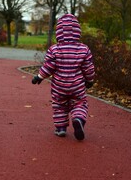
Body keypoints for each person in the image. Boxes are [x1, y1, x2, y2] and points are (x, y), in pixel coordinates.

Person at [32, 13, 95, 141]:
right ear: (78, 31)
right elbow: (88, 68)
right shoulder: (84, 49)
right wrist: (90, 80)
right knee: (80, 103)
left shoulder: (54, 49)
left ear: (59, 31)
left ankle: (61, 129)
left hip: (59, 86)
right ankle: (78, 118)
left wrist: (39, 76)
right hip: (77, 85)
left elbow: (49, 66)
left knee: (59, 105)